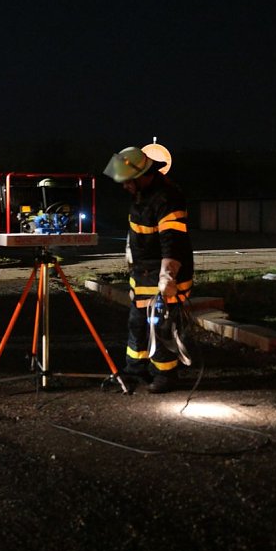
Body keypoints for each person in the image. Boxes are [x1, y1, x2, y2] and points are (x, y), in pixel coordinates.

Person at [103, 146, 194, 393]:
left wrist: (167, 277)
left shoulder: (167, 197)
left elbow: (172, 241)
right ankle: (135, 369)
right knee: (138, 324)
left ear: (142, 174)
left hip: (165, 275)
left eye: (127, 181)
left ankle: (165, 376)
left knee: (161, 326)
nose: (124, 187)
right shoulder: (142, 194)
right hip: (143, 274)